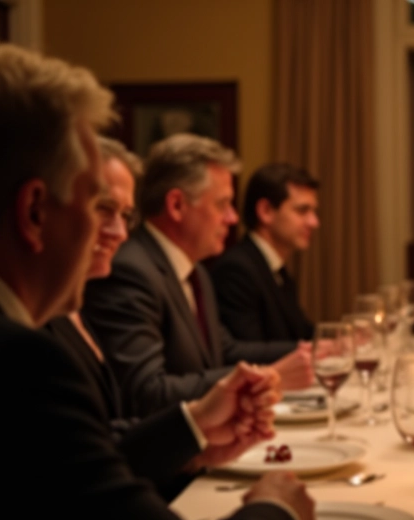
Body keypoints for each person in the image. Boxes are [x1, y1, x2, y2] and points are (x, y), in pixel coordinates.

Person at [0, 43, 314, 520]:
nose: (115, 235)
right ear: (33, 211)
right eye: (95, 205)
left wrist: (192, 430)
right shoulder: (12, 363)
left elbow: (78, 473)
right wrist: (278, 511)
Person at [45, 137, 275, 500]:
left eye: (124, 215)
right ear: (36, 210)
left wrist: (194, 443)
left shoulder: (196, 272)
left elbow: (107, 438)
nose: (119, 233)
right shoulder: (125, 272)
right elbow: (140, 397)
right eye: (103, 208)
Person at [83, 133, 313, 417]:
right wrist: (268, 374)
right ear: (177, 205)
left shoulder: (197, 272)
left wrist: (308, 352)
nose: (233, 218)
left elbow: (225, 351)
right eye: (222, 204)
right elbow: (146, 392)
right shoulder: (130, 271)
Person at [210, 162, 318, 343]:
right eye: (302, 210)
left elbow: (302, 330)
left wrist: (341, 338)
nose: (314, 222)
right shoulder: (236, 270)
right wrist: (319, 349)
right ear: (265, 211)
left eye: (313, 211)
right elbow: (247, 352)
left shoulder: (277, 269)